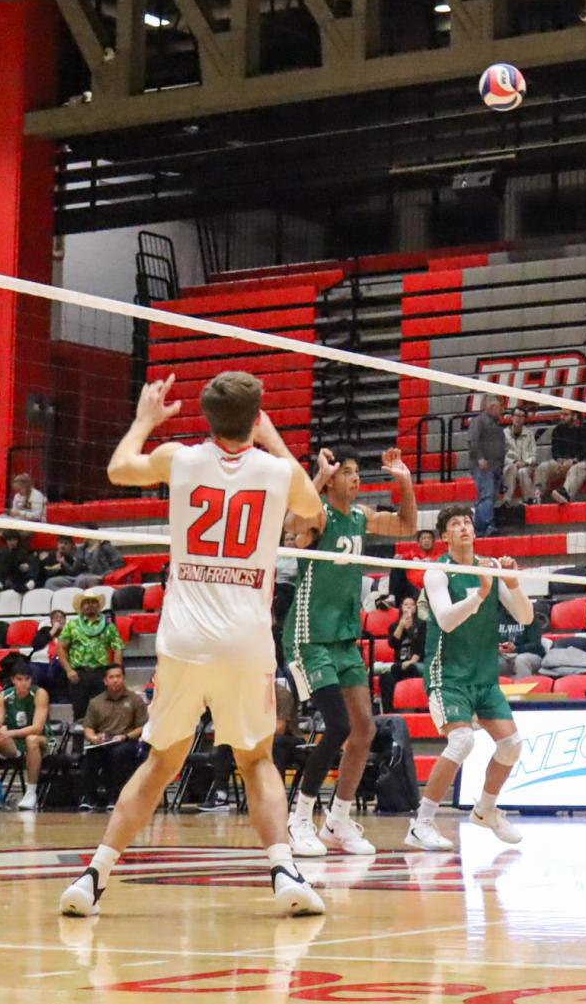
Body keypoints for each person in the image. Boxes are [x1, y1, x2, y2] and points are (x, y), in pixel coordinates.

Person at [60, 370, 326, 919]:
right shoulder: (276, 471)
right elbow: (311, 508)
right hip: (245, 641)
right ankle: (284, 871)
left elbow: (117, 468)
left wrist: (144, 420)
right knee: (257, 760)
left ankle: (94, 876)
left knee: (162, 761)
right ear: (256, 417)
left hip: (184, 638)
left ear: (207, 418)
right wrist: (272, 437)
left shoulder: (179, 459)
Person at [282, 446, 416, 858]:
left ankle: (337, 821)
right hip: (308, 637)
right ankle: (299, 820)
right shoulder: (318, 515)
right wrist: (319, 476)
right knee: (338, 725)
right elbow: (291, 523)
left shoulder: (361, 517)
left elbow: (408, 526)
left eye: (358, 471)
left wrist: (405, 482)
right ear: (331, 480)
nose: (356, 478)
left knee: (364, 729)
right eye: (348, 472)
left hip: (343, 639)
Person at [405, 506, 534, 852]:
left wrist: (512, 584)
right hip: (448, 674)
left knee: (512, 745)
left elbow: (525, 617)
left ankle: (486, 810)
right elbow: (446, 621)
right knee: (462, 741)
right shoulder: (438, 573)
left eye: (467, 523)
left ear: (475, 532)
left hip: (484, 676)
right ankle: (421, 824)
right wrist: (480, 594)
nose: (463, 527)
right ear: (444, 536)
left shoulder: (489, 568)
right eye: (455, 524)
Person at [78, 664, 148, 810]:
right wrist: (93, 738)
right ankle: (89, 797)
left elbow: (142, 727)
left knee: (118, 754)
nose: (115, 680)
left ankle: (114, 796)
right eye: (111, 677)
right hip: (104, 741)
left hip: (127, 741)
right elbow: (88, 727)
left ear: (123, 679)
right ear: (105, 681)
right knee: (91, 754)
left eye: (118, 676)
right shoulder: (95, 702)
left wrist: (125, 736)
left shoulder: (135, 700)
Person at [0, 667, 49, 811]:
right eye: (19, 679)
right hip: (14, 742)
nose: (23, 683)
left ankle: (31, 793)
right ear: (13, 680)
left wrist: (11, 733)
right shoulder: (4, 696)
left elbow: (37, 728)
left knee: (31, 739)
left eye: (27, 679)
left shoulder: (40, 693)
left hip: (40, 739)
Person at [57, 591, 124, 723]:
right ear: (81, 606)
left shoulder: (108, 625)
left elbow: (118, 647)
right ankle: (79, 736)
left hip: (101, 673)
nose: (90, 605)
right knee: (79, 713)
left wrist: (116, 671)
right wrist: (69, 670)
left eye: (93, 602)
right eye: (86, 602)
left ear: (98, 606)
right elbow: (61, 648)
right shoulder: (72, 625)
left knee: (105, 711)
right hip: (79, 674)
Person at [466, 395, 507, 533]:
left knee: (488, 497)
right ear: (492, 407)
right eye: (500, 407)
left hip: (495, 467)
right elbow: (473, 441)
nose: (503, 410)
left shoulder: (496, 425)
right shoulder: (479, 421)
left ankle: (479, 530)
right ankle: (488, 525)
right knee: (487, 495)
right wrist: (480, 458)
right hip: (484, 467)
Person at [540, 412, 586, 503]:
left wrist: (573, 461)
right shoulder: (558, 429)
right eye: (561, 414)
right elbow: (555, 450)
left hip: (583, 461)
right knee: (543, 467)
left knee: (577, 468)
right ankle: (537, 497)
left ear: (574, 416)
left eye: (565, 415)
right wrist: (559, 460)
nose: (561, 417)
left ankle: (566, 495)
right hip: (563, 462)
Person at [500, 411, 539, 508]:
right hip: (510, 465)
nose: (518, 418)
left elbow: (534, 456)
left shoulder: (530, 434)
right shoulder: (503, 434)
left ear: (525, 419)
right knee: (511, 468)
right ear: (512, 417)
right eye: (516, 415)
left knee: (522, 471)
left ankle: (529, 500)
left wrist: (525, 463)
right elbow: (500, 455)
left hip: (526, 466)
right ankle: (506, 501)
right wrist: (513, 462)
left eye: (521, 416)